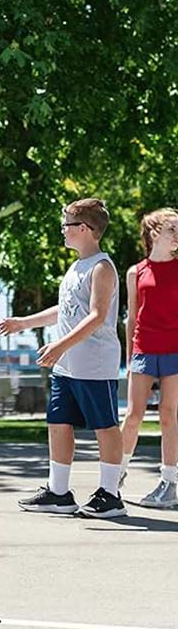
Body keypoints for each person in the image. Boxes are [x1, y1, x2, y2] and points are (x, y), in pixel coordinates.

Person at [0, 198, 126, 518]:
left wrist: (59, 347)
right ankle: (59, 493)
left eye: (66, 225)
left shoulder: (102, 267)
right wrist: (24, 323)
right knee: (57, 422)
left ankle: (110, 495)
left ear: (83, 229)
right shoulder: (75, 267)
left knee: (105, 426)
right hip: (68, 365)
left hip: (94, 364)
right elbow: (67, 311)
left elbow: (96, 316)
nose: (63, 231)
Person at [119, 208, 178, 507]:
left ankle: (169, 484)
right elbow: (131, 318)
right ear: (154, 233)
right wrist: (130, 358)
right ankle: (113, 476)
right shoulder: (135, 272)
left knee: (168, 414)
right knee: (133, 416)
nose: (177, 235)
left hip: (175, 352)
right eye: (172, 229)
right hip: (143, 350)